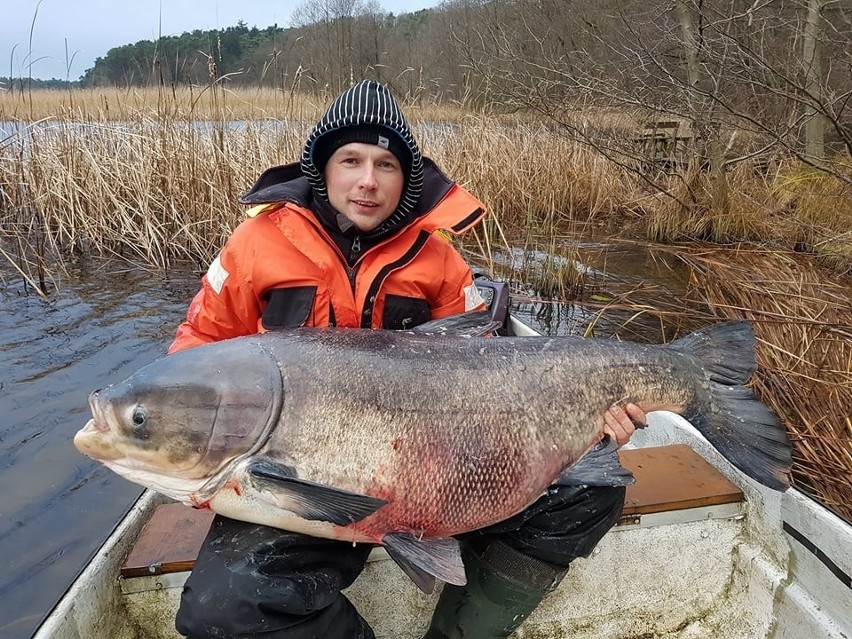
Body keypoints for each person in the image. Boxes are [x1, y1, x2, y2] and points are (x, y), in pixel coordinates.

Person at [169, 79, 646, 639]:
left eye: (386, 165)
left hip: (442, 472)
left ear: (406, 178)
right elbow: (198, 351)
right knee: (221, 613)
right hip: (305, 481)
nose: (367, 181)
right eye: (351, 160)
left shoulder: (441, 260)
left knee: (590, 496)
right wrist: (202, 461)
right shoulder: (254, 247)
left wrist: (586, 429)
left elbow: (488, 382)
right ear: (324, 167)